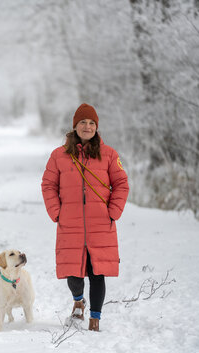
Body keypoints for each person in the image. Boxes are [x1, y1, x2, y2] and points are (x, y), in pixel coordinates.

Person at [41, 103, 129, 331]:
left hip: (101, 224)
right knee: (73, 273)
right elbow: (48, 185)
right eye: (83, 122)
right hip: (70, 224)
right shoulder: (58, 156)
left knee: (97, 272)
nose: (87, 127)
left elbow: (121, 184)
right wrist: (57, 212)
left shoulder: (109, 154)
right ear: (75, 126)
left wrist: (113, 212)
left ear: (96, 127)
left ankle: (95, 319)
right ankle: (78, 300)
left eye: (91, 123)